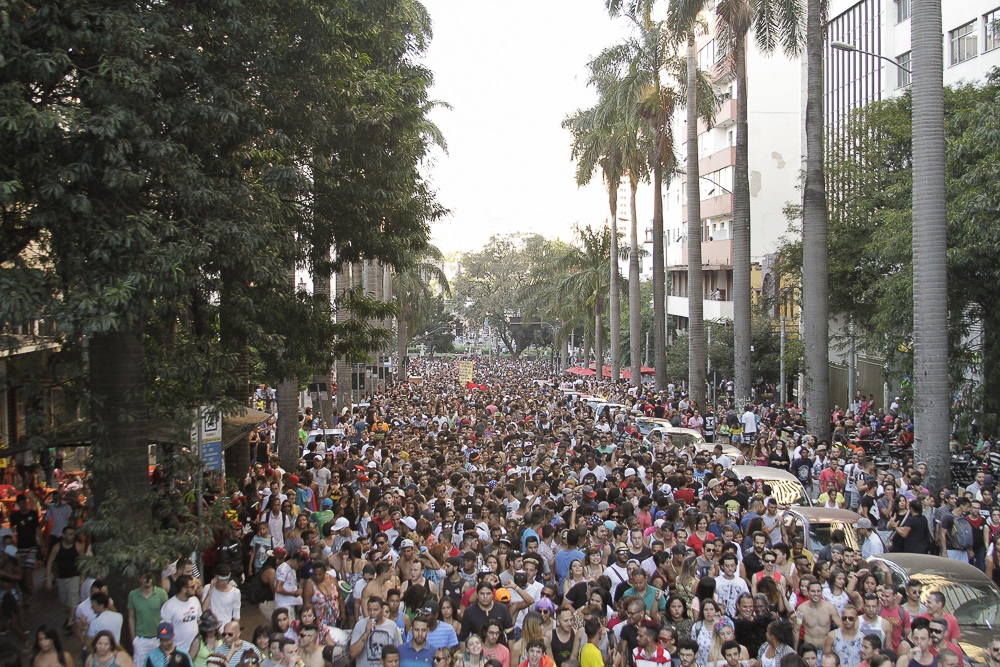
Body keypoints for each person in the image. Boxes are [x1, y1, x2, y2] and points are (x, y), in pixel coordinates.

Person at [46, 524, 85, 630]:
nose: (72, 536)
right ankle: (71, 616)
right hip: (62, 577)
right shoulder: (57, 547)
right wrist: (49, 578)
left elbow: (82, 562)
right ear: (64, 535)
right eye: (69, 534)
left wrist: (82, 577)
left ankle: (70, 622)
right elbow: (50, 562)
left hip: (74, 576)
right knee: (64, 600)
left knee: (73, 598)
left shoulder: (78, 546)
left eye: (73, 534)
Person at [349, 596, 403, 667]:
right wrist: (365, 633)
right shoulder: (360, 625)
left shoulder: (392, 626)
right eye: (369, 610)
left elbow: (396, 651)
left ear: (382, 609)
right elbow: (352, 654)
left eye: (375, 610)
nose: (372, 613)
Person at [130, 573, 169, 667]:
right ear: (140, 579)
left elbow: (167, 615)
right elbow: (131, 617)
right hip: (140, 639)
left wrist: (165, 636)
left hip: (158, 638)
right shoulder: (133, 595)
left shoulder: (161, 593)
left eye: (150, 577)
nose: (148, 580)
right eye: (145, 577)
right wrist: (133, 639)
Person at [793, 579, 840, 652]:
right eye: (813, 591)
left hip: (826, 649)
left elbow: (840, 626)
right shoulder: (801, 609)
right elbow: (796, 629)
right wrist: (795, 650)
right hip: (809, 650)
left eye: (818, 591)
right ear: (808, 592)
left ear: (822, 592)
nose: (816, 594)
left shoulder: (830, 608)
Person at [160, 575, 202, 656]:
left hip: (196, 649)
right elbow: (165, 630)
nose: (195, 588)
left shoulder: (195, 600)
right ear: (184, 589)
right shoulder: (169, 606)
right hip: (177, 651)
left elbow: (199, 621)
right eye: (192, 586)